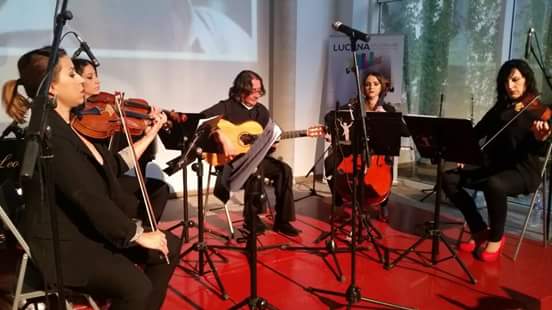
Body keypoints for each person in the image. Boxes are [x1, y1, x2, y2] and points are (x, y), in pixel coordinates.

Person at [1, 46, 180, 310]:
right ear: (51, 88)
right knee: (136, 286)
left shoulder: (67, 127)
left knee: (169, 247)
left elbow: (114, 164)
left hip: (82, 228)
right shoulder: (49, 135)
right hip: (63, 246)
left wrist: (149, 135)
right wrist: (135, 234)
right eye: (73, 74)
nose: (82, 81)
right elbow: (87, 197)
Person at [442, 59, 551, 262]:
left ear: (527, 80)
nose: (510, 86)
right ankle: (479, 229)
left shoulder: (537, 111)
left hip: (523, 171)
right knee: (448, 178)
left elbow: (539, 149)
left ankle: (496, 237)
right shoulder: (501, 108)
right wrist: (463, 153)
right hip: (493, 166)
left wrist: (540, 137)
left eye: (515, 80)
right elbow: (476, 133)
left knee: (495, 184)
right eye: (506, 81)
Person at [200, 70, 301, 236]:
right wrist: (221, 137)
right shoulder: (227, 106)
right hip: (229, 163)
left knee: (285, 170)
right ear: (241, 89)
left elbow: (266, 141)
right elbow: (203, 122)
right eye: (254, 91)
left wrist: (271, 143)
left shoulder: (261, 111)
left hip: (254, 160)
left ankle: (282, 221)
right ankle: (251, 219)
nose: (258, 95)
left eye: (259, 91)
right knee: (256, 170)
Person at [73, 58, 169, 224]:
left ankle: (146, 232)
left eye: (96, 76)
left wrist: (146, 125)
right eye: (90, 77)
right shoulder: (78, 118)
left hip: (108, 176)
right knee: (143, 196)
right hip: (95, 185)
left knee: (159, 189)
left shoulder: (103, 115)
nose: (97, 81)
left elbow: (117, 160)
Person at [324, 71, 409, 221]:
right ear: (362, 88)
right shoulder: (356, 106)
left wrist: (386, 118)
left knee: (383, 170)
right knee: (330, 162)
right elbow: (333, 116)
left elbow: (404, 131)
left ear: (381, 88)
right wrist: (330, 127)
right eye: (367, 84)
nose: (371, 87)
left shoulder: (388, 109)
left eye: (375, 84)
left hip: (377, 153)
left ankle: (383, 205)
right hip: (354, 150)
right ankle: (339, 205)